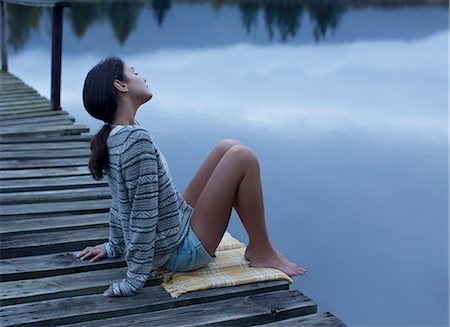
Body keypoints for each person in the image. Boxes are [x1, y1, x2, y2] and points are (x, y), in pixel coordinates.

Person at [77, 57, 306, 297]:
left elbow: (120, 202)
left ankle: (260, 246)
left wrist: (113, 246)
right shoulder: (136, 141)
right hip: (179, 251)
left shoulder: (117, 136)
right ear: (121, 86)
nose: (142, 77)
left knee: (227, 146)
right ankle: (262, 250)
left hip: (169, 231)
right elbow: (142, 214)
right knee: (242, 156)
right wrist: (133, 279)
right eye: (133, 72)